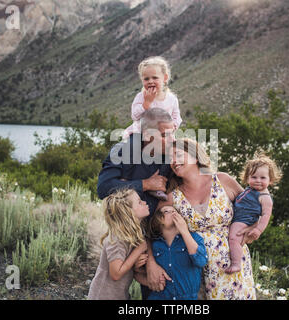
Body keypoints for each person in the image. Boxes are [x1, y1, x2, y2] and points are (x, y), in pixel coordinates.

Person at [155, 138, 257, 300]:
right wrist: (151, 264)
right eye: (170, 158)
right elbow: (152, 230)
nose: (174, 161)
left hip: (233, 263)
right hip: (195, 267)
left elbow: (253, 208)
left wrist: (252, 229)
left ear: (196, 157)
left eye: (178, 155)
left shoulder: (223, 181)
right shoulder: (172, 197)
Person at [97, 107, 176, 299]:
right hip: (127, 235)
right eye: (166, 135)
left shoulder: (169, 154)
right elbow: (104, 188)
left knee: (159, 288)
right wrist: (145, 184)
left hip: (158, 233)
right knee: (113, 287)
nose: (172, 140)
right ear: (148, 134)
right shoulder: (122, 150)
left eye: (173, 134)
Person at [122, 56, 182, 202]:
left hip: (164, 134)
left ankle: (160, 184)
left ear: (165, 78)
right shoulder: (141, 96)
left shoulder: (171, 99)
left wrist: (174, 125)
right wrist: (146, 103)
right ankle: (125, 176)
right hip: (141, 132)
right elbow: (135, 115)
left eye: (154, 77)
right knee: (132, 146)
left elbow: (177, 117)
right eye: (146, 79)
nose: (150, 81)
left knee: (170, 155)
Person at [88, 189, 150, 300]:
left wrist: (135, 265)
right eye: (140, 202)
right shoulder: (117, 239)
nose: (145, 203)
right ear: (128, 212)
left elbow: (126, 265)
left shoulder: (131, 236)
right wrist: (138, 251)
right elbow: (115, 274)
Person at [225, 154, 282, 274]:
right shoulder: (249, 189)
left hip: (244, 221)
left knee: (234, 238)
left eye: (263, 178)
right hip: (238, 218)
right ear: (247, 178)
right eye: (254, 177)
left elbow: (266, 215)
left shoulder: (264, 197)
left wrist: (258, 230)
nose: (258, 181)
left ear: (270, 180)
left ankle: (236, 264)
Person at [138, 205, 208, 300]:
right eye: (167, 211)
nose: (173, 213)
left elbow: (201, 261)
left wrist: (184, 231)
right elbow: (138, 273)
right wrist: (150, 282)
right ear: (158, 220)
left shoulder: (194, 238)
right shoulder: (155, 245)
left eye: (175, 211)